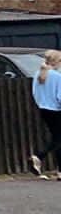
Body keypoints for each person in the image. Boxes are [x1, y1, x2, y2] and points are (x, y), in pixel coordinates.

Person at [33, 50, 61, 179]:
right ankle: (39, 156)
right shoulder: (57, 76)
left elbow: (35, 93)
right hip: (56, 110)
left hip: (44, 109)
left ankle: (59, 170)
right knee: (58, 139)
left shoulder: (38, 74)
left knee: (58, 138)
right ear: (57, 62)